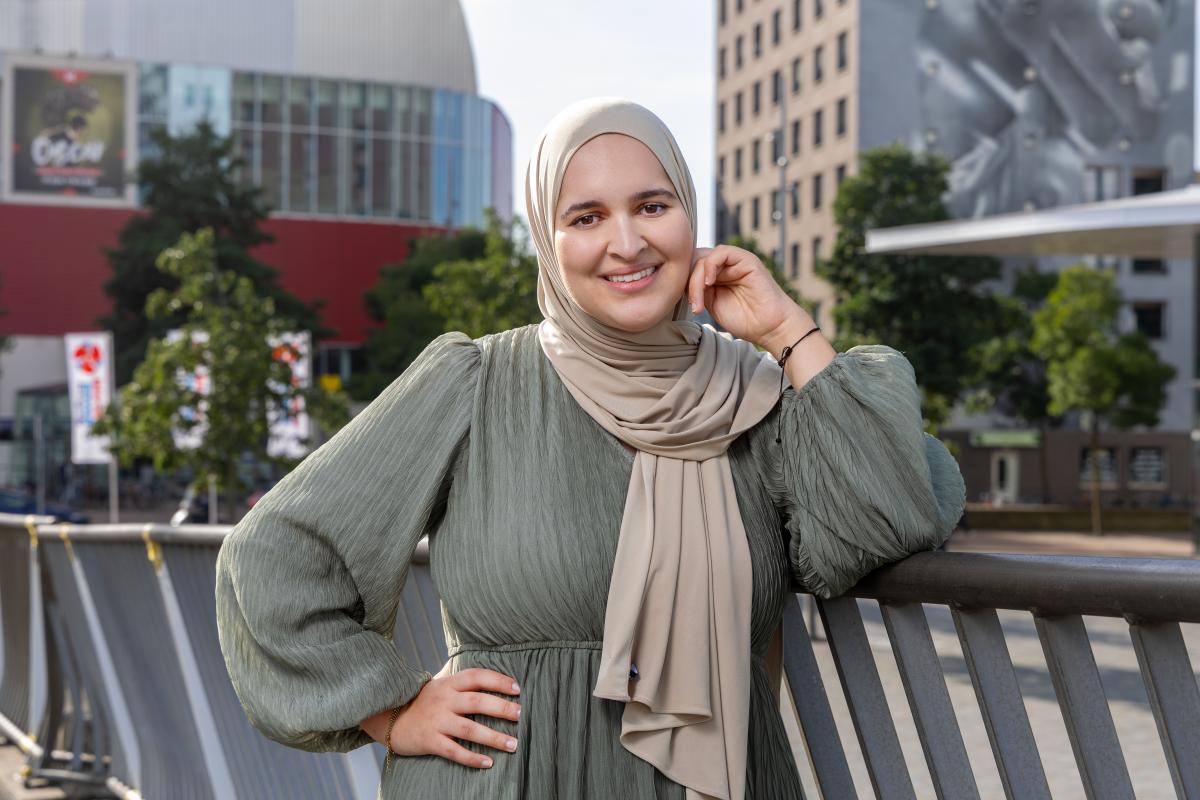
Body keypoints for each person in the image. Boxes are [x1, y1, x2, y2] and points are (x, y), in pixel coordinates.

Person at [215, 98, 966, 800]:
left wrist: (787, 331)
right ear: (548, 238)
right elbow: (275, 554)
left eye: (652, 205)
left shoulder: (759, 398)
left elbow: (886, 517)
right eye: (586, 216)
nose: (628, 242)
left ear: (689, 215)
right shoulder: (475, 382)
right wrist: (391, 710)